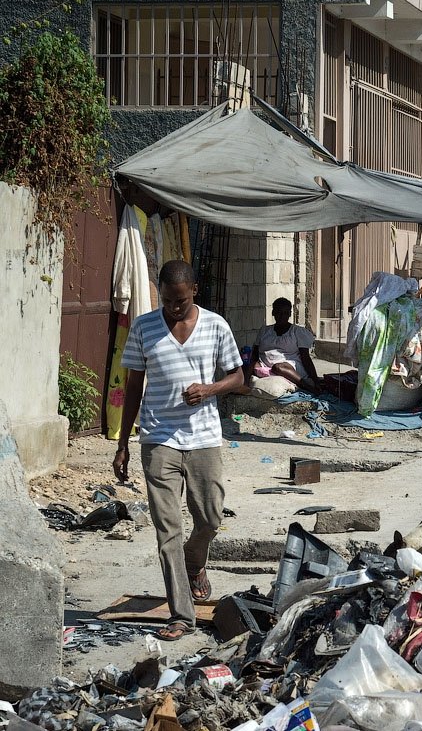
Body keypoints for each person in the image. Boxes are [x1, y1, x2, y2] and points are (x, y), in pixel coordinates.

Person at [113, 260, 243, 641]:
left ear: (194, 291)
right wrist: (123, 444)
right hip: (158, 439)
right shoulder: (144, 328)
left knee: (210, 519)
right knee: (167, 530)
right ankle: (181, 615)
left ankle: (194, 562)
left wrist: (208, 389)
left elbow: (238, 376)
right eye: (168, 300)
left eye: (181, 301)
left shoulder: (216, 326)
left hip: (203, 438)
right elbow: (133, 386)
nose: (173, 308)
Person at [248, 298, 321, 394]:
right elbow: (255, 353)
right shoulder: (264, 331)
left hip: (289, 366)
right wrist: (251, 366)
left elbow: (306, 358)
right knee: (247, 366)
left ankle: (306, 386)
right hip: (265, 365)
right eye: (279, 313)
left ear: (290, 314)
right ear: (273, 313)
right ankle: (243, 387)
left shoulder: (297, 332)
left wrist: (315, 380)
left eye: (286, 313)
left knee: (278, 367)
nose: (282, 316)